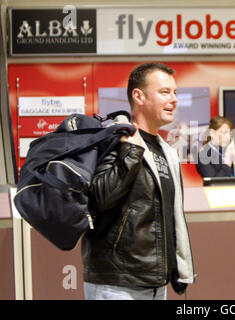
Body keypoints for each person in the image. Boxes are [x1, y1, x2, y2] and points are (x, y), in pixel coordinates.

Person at [82, 63, 194, 300]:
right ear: (138, 96)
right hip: (118, 283)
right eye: (165, 92)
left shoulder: (166, 151)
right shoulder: (114, 138)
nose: (173, 99)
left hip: (155, 283)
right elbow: (99, 199)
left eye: (175, 93)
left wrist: (177, 267)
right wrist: (131, 153)